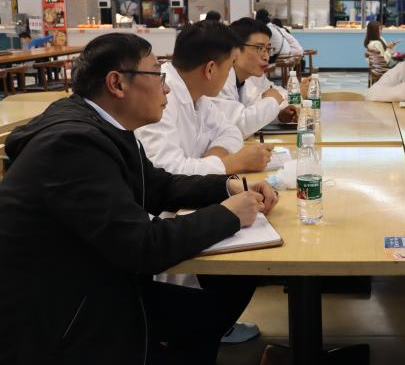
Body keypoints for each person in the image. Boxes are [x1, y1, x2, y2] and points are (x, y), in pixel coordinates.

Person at [0, 33, 279, 365]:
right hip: (61, 317)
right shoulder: (72, 145)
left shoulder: (107, 127)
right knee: (206, 312)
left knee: (213, 309)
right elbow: (143, 246)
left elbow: (159, 185)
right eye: (157, 76)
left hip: (93, 285)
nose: (166, 88)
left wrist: (228, 187)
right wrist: (229, 215)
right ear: (117, 84)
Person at [136, 21, 273, 175]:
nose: (229, 74)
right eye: (230, 67)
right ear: (210, 69)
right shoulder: (160, 96)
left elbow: (231, 131)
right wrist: (234, 163)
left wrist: (214, 159)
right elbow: (167, 171)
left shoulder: (197, 94)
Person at [211, 18, 300, 138]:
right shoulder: (220, 80)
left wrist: (279, 115)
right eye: (259, 48)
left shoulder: (244, 78)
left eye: (268, 49)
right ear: (235, 49)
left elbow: (252, 110)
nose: (266, 57)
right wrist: (272, 101)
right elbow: (237, 126)